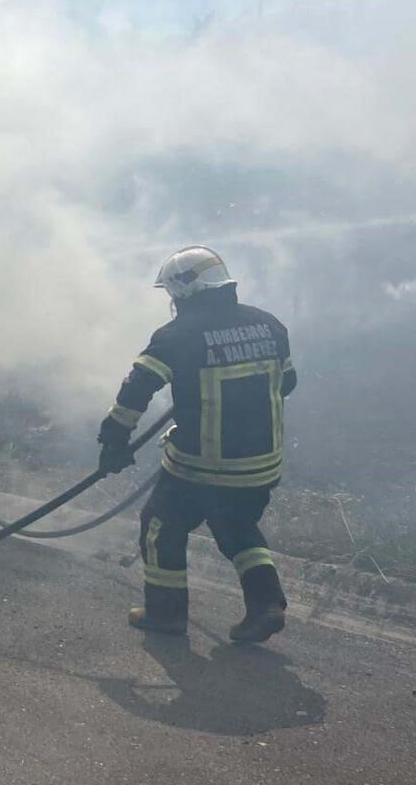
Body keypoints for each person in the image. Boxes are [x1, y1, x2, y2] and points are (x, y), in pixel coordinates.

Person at [98, 246, 297, 643]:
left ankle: (165, 614)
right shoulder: (268, 324)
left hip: (201, 467)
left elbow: (137, 389)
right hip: (262, 465)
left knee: (160, 526)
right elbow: (287, 383)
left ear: (183, 290)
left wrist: (114, 439)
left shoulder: (178, 336)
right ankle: (266, 605)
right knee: (237, 527)